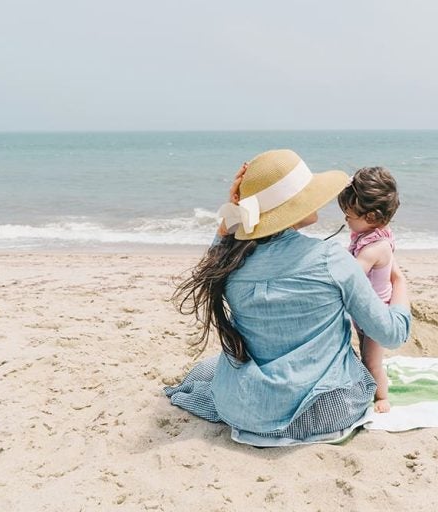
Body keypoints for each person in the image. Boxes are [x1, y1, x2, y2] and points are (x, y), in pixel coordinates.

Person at [165, 149, 410, 446]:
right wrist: (399, 282)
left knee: (208, 370)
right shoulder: (331, 259)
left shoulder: (229, 263)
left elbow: (213, 259)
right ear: (291, 207)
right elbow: (392, 334)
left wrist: (232, 215)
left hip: (246, 408)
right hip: (325, 411)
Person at [337, 167, 400, 413]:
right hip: (364, 313)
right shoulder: (369, 236)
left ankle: (382, 396)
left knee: (372, 361)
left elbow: (351, 273)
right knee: (365, 350)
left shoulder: (375, 248)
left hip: (375, 315)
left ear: (372, 217)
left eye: (349, 216)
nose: (346, 220)